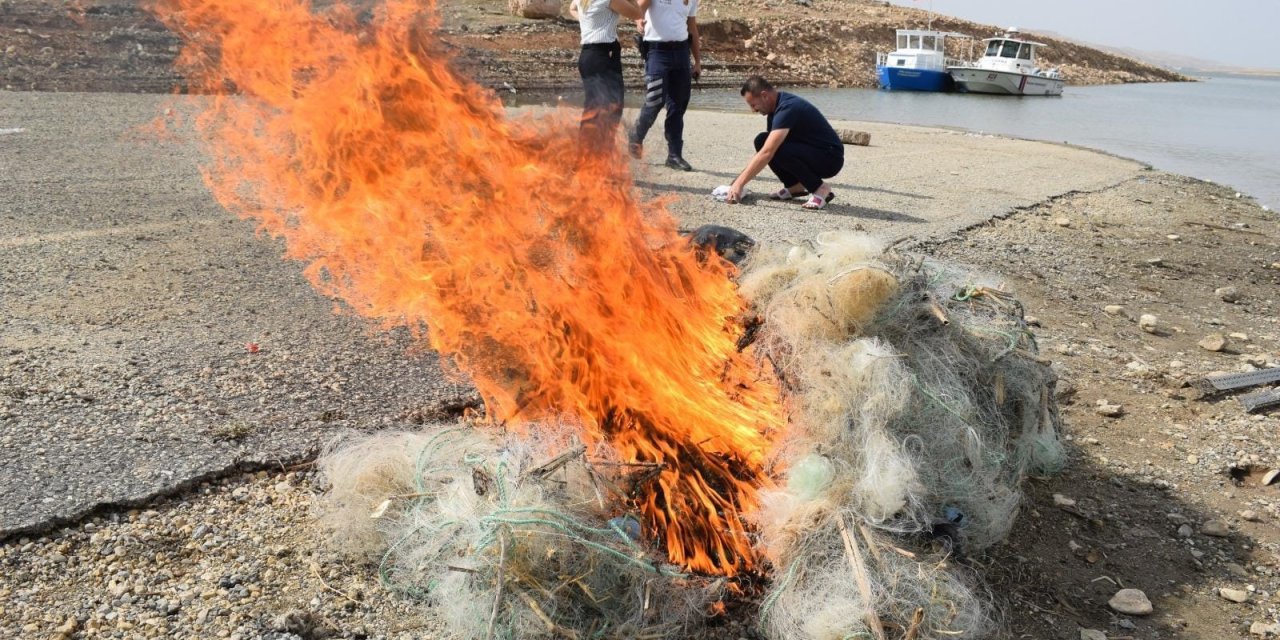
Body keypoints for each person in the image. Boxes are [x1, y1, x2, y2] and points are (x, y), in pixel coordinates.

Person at [726, 76, 844, 210]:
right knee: (762, 140)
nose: (753, 110)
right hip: (814, 151)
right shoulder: (774, 109)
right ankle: (794, 186)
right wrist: (738, 181)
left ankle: (820, 188)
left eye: (753, 105)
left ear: (764, 96)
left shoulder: (788, 107)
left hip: (829, 158)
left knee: (777, 148)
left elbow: (768, 152)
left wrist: (740, 183)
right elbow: (764, 149)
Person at [627, 0, 701, 171]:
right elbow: (637, 9)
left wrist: (697, 61)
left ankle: (674, 155)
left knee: (678, 105)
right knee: (655, 100)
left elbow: (692, 28)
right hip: (657, 52)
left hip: (682, 52)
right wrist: (638, 20)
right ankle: (635, 138)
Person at [570, 0, 646, 152]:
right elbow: (638, 12)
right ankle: (600, 156)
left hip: (589, 55)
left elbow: (572, 8)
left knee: (593, 110)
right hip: (603, 56)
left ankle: (585, 157)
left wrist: (586, 21)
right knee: (611, 109)